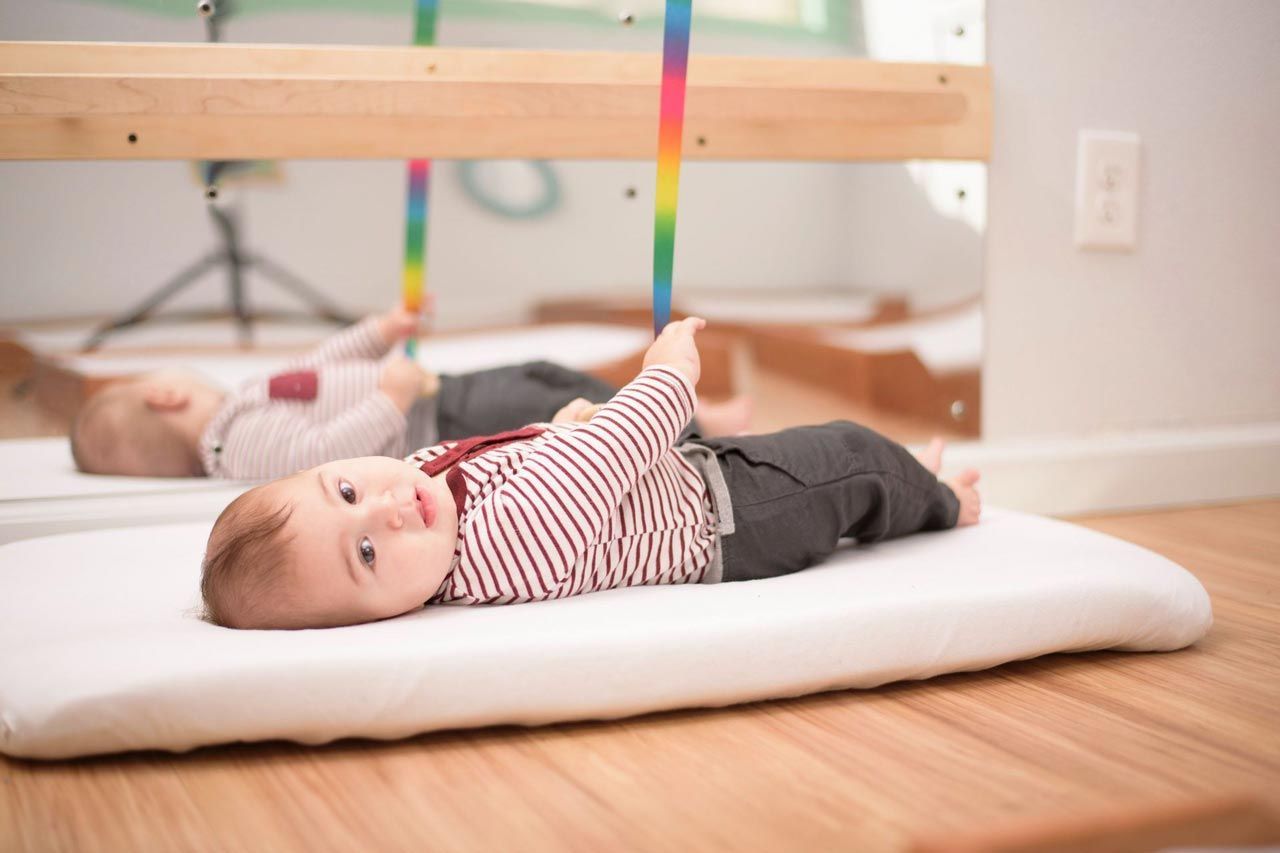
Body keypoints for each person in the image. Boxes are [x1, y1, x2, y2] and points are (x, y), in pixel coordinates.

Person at [200, 317, 982, 630]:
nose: (385, 510)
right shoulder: (492, 550)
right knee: (843, 458)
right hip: (733, 518)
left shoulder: (413, 484)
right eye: (366, 554)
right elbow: (604, 459)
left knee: (847, 459)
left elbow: (536, 461)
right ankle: (944, 501)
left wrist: (554, 429)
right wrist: (668, 375)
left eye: (346, 490)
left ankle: (909, 480)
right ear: (380, 617)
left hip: (694, 478)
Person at [69, 307, 750, 480]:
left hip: (434, 391)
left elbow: (319, 362)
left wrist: (377, 332)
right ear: (164, 396)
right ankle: (680, 418)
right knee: (564, 402)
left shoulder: (239, 404)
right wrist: (389, 399)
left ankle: (680, 406)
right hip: (432, 413)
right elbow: (323, 450)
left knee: (548, 372)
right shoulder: (241, 443)